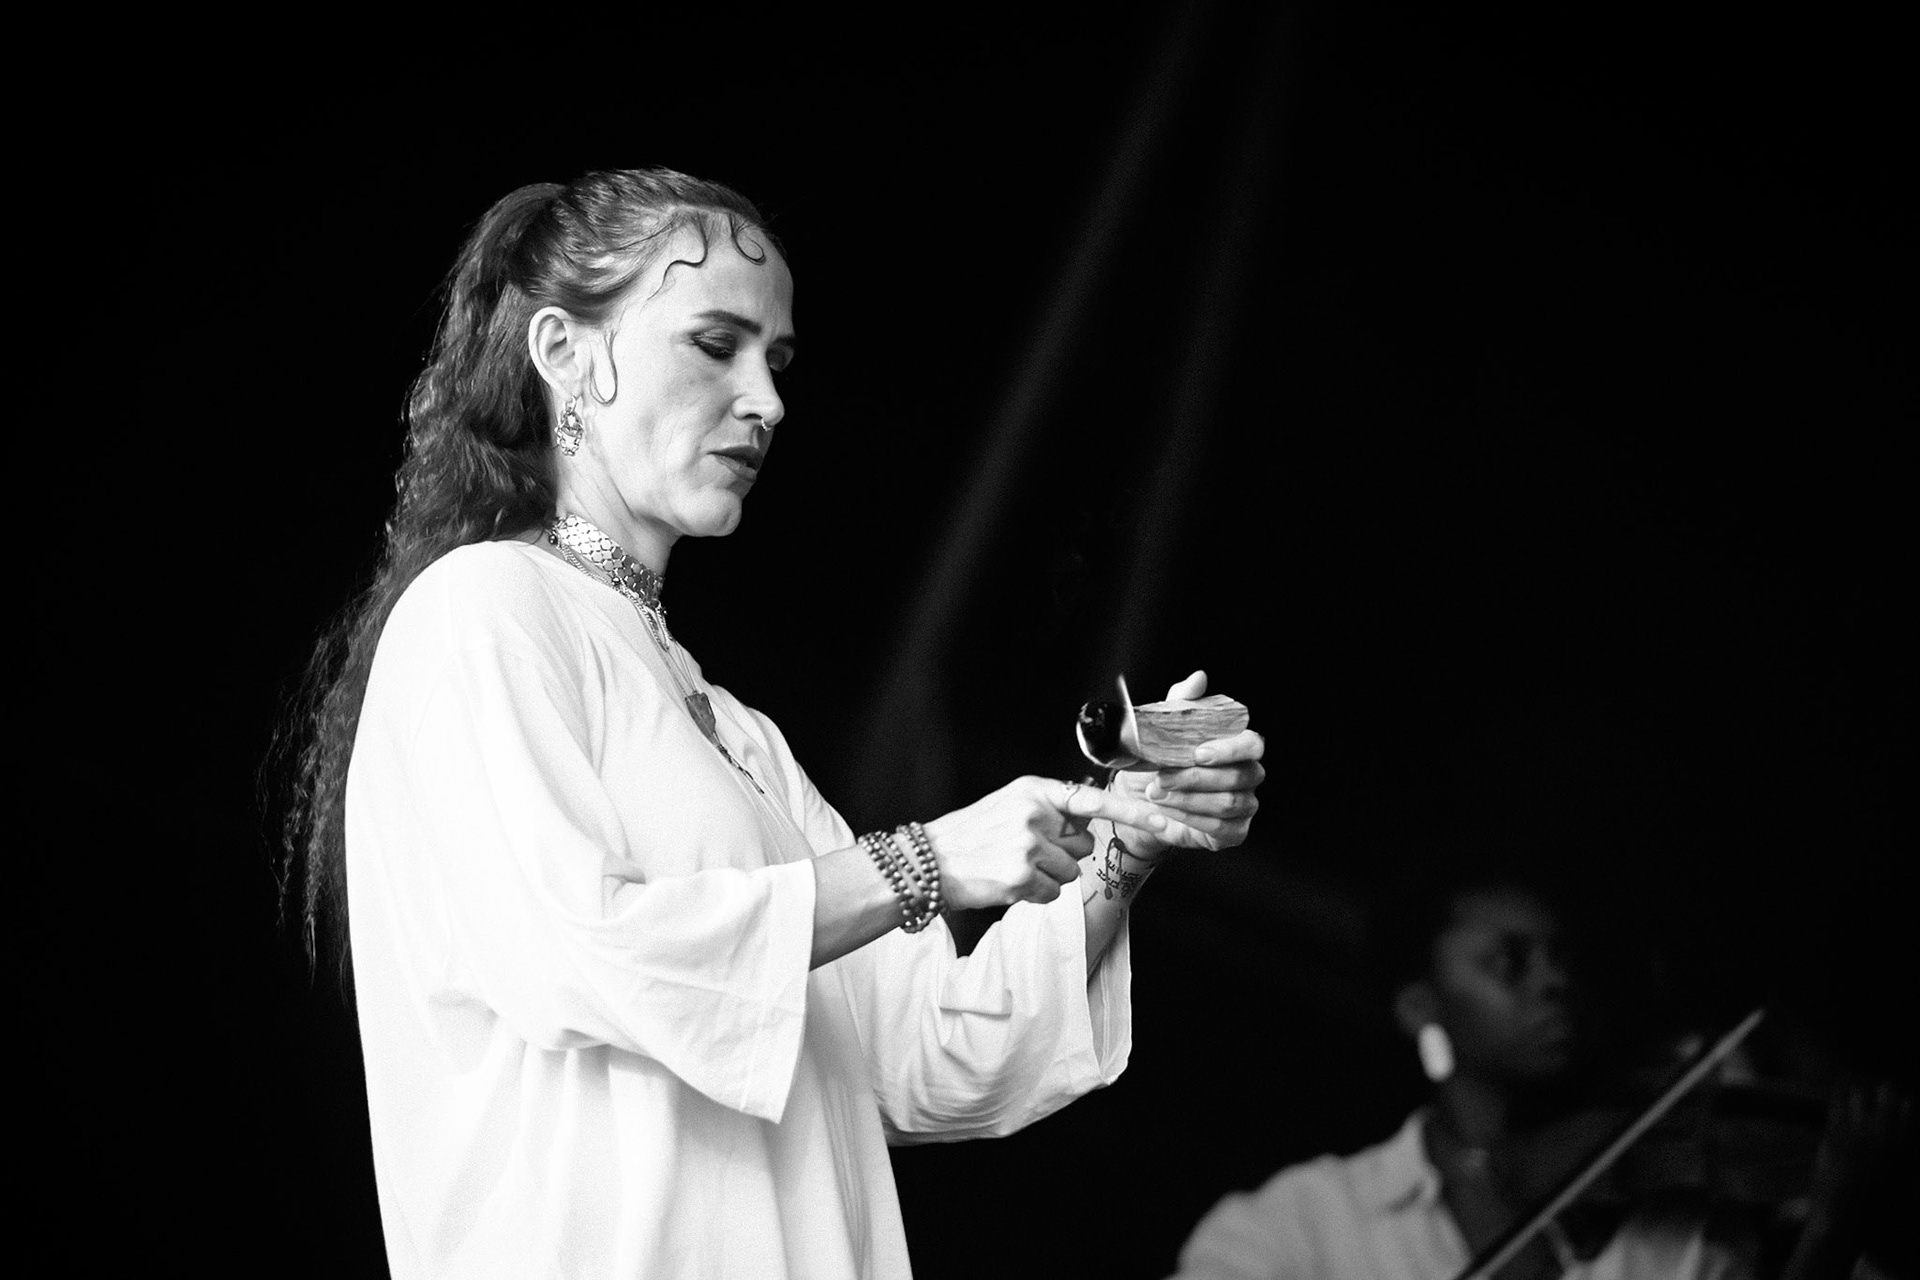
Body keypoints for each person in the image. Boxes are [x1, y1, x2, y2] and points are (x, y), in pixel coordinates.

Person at [277, 167, 1265, 1280]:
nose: (767, 400)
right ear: (565, 351)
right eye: (716, 345)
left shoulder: (737, 734)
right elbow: (584, 948)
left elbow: (927, 1048)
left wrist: (1125, 838)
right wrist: (925, 859)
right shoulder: (484, 609)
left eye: (777, 361)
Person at [1167, 858, 1757, 1280]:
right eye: (1510, 962)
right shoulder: (1300, 1224)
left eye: (1563, 959)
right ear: (1419, 1006)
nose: (1555, 982)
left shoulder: (1670, 1219)